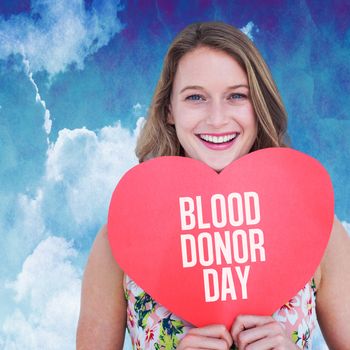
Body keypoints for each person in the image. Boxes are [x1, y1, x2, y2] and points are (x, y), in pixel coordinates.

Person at [76, 22, 350, 349]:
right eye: (195, 97)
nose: (217, 118)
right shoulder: (119, 241)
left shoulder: (319, 232)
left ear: (258, 105)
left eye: (236, 96)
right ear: (169, 110)